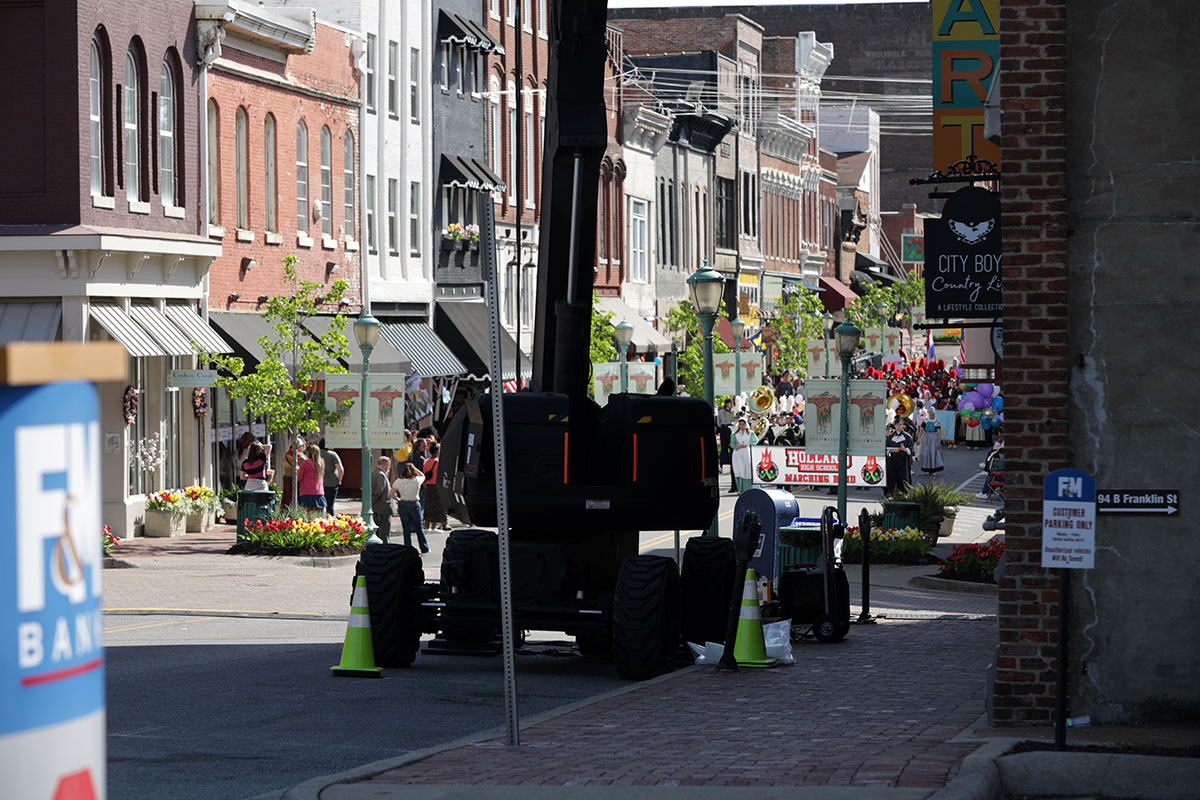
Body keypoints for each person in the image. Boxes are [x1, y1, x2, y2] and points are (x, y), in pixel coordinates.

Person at [390, 462, 427, 552]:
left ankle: (408, 548)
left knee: (406, 528)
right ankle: (424, 547)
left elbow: (391, 494)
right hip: (414, 503)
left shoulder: (398, 481)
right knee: (419, 527)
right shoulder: (417, 480)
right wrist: (414, 468)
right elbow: (423, 475)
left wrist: (398, 499)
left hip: (403, 503)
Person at [422, 443, 450, 532]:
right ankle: (434, 527)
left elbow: (424, 474)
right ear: (437, 452)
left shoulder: (426, 462)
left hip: (429, 485)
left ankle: (427, 526)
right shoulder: (439, 463)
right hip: (438, 485)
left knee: (428, 506)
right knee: (438, 506)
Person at [884, 422, 914, 496]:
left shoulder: (907, 437)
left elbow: (910, 449)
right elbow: (886, 448)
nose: (898, 427)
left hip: (903, 460)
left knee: (903, 477)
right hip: (892, 460)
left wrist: (905, 449)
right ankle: (891, 493)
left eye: (900, 425)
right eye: (897, 425)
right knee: (892, 477)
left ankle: (903, 494)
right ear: (895, 426)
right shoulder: (890, 437)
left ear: (903, 426)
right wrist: (892, 450)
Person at [296, 443, 327, 513]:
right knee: (318, 515)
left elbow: (299, 478)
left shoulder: (305, 463)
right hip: (319, 492)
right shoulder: (321, 463)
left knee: (307, 514)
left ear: (308, 453)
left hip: (306, 491)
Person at [730, 417, 758, 493]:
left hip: (746, 452)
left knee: (747, 470)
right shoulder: (734, 434)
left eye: (743, 424)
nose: (742, 426)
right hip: (738, 453)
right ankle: (740, 489)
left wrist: (747, 444)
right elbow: (732, 444)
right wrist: (737, 446)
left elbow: (755, 441)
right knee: (739, 469)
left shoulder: (750, 433)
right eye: (740, 424)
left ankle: (749, 488)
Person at [370, 456, 394, 543]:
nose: (389, 467)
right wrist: (373, 501)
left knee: (379, 530)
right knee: (384, 531)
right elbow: (379, 490)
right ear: (384, 465)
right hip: (383, 506)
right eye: (388, 465)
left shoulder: (375, 472)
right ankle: (384, 547)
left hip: (377, 506)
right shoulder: (381, 474)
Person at [319, 438, 343, 516]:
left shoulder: (316, 454)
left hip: (319, 482)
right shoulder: (333, 455)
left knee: (319, 506)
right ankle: (330, 521)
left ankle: (319, 520)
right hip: (332, 482)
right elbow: (340, 469)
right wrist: (339, 480)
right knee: (330, 505)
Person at [918, 413, 945, 477]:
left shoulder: (937, 422)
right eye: (930, 414)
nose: (931, 415)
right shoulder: (925, 421)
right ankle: (926, 469)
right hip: (926, 438)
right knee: (926, 453)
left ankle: (933, 470)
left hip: (934, 439)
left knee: (933, 453)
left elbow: (939, 433)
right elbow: (921, 430)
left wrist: (939, 442)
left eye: (932, 414)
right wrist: (919, 438)